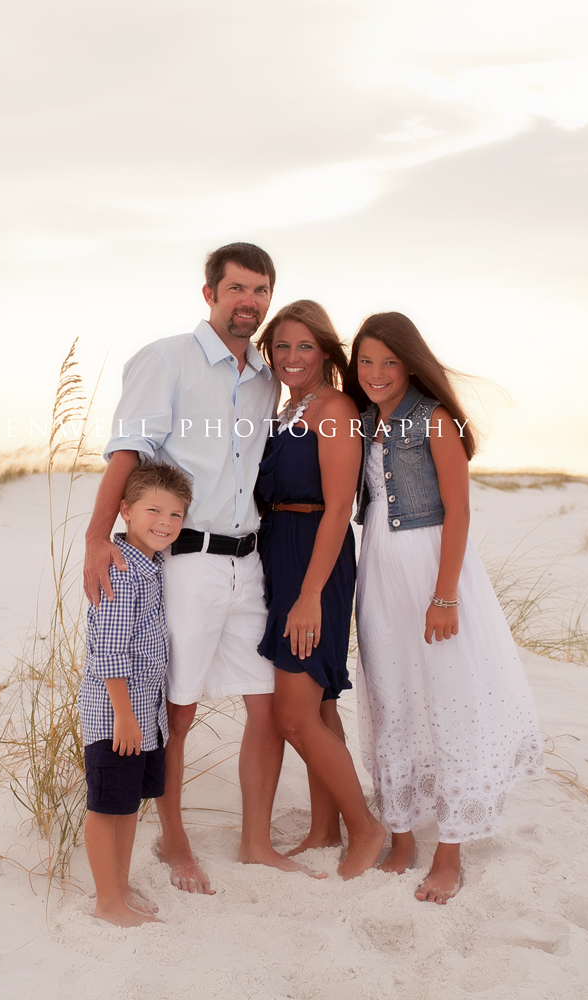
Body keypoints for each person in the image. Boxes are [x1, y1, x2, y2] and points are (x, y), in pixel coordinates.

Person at [85, 242, 304, 895]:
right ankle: (173, 838)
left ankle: (255, 840)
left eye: (260, 291)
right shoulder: (166, 359)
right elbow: (128, 452)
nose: (250, 302)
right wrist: (99, 535)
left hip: (250, 559)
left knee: (264, 702)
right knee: (176, 709)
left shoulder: (267, 376)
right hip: (185, 561)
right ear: (209, 294)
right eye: (237, 289)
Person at [347, 312, 543, 904]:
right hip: (378, 571)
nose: (376, 373)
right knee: (392, 696)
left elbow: (457, 511)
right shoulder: (360, 422)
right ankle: (402, 838)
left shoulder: (434, 419)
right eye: (365, 362)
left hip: (432, 569)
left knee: (448, 699)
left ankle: (449, 853)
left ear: (410, 362)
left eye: (388, 361)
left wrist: (445, 594)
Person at [253, 300, 387, 879]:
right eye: (281, 345)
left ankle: (365, 827)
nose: (291, 356)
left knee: (295, 715)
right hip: (279, 551)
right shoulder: (288, 408)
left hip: (316, 557)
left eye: (304, 346)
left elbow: (338, 510)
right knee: (320, 701)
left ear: (327, 352)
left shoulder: (333, 407)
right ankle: (324, 827)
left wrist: (309, 595)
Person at [79, 463, 193, 927]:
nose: (165, 522)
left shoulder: (153, 566)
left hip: (143, 716)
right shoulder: (122, 572)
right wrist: (123, 717)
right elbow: (108, 651)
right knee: (107, 807)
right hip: (116, 716)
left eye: (176, 514)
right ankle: (107, 902)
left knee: (127, 806)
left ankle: (120, 887)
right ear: (124, 511)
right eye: (154, 510)